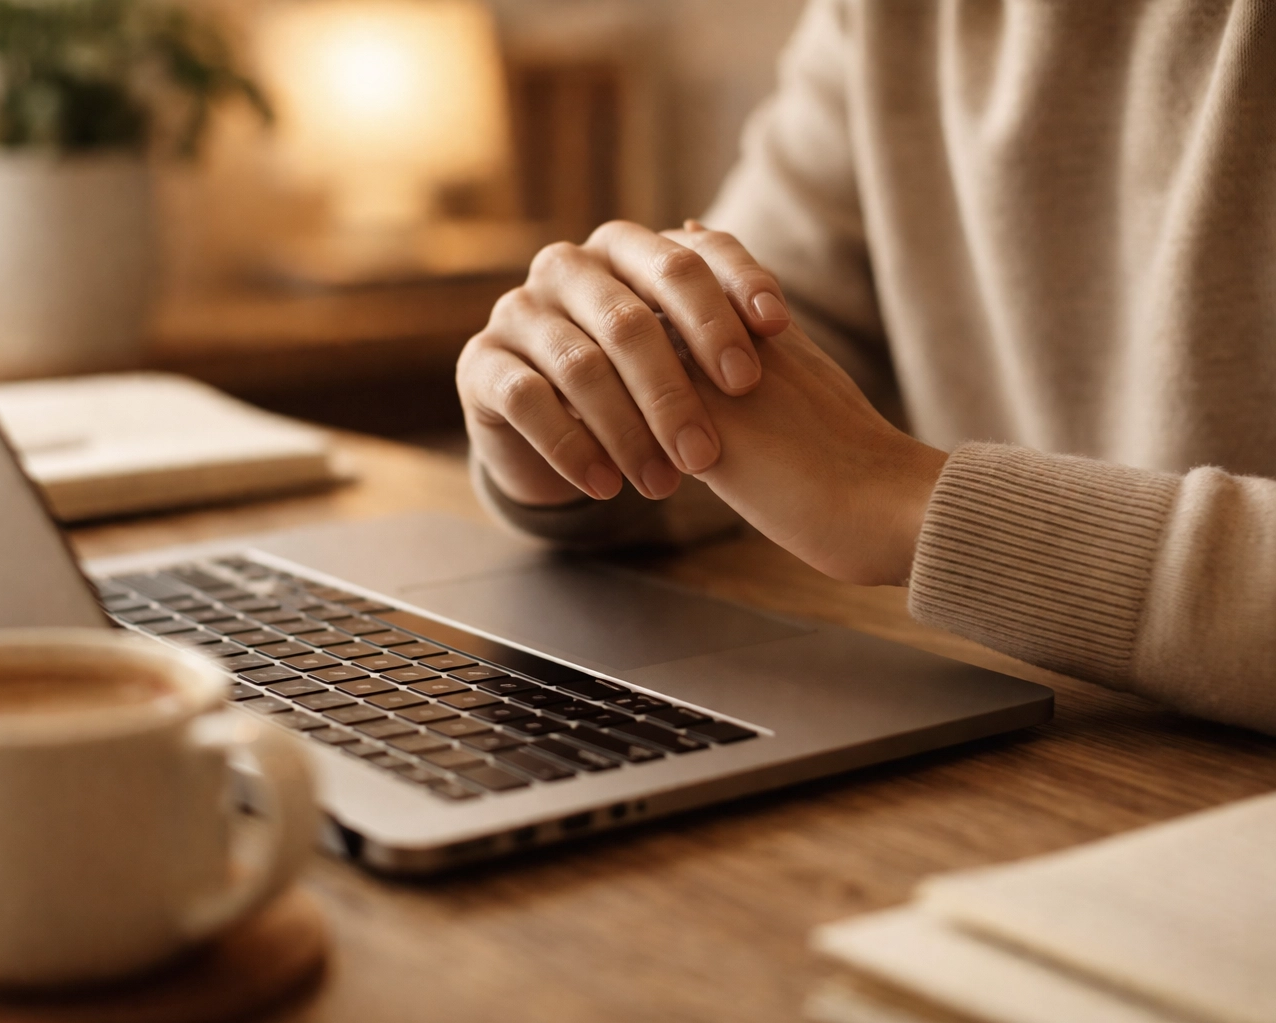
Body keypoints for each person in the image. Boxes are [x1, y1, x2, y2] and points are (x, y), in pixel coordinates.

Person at [455, 0, 1276, 734]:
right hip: (1017, 726)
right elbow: (750, 359)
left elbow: (834, 465)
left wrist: (910, 503)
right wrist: (585, 425)